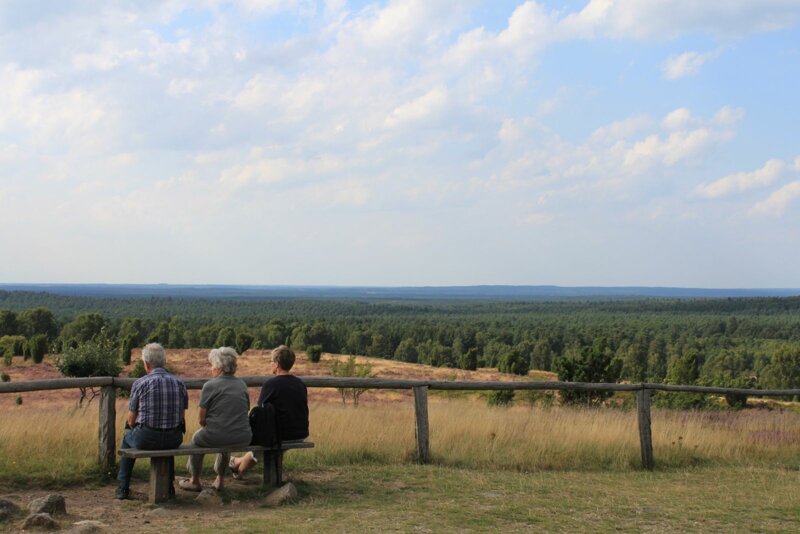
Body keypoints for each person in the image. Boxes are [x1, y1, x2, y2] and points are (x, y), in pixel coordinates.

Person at [116, 343, 188, 500]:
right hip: (173, 439)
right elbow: (181, 417)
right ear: (164, 362)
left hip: (146, 438)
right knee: (167, 442)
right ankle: (169, 488)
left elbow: (131, 419)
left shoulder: (140, 383)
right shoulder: (179, 383)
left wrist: (135, 427)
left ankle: (122, 488)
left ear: (146, 364)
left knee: (127, 438)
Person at [229, 345, 309, 477]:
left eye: (271, 362)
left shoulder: (271, 384)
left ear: (277, 364)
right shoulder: (300, 383)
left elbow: (260, 411)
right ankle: (238, 466)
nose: (270, 364)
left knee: (263, 438)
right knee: (265, 444)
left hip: (281, 435)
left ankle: (237, 463)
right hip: (300, 433)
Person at [179, 347, 252, 492]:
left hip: (218, 435)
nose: (211, 368)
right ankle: (220, 479)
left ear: (219, 367)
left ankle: (194, 480)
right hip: (243, 436)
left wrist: (212, 425)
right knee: (225, 435)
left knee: (197, 439)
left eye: (212, 365)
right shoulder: (242, 384)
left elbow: (201, 419)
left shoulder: (210, 385)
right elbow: (246, 409)